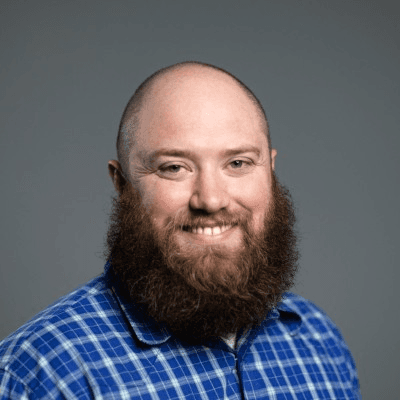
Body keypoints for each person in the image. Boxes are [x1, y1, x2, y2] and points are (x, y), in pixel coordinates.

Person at [0, 61, 361, 399]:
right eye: (174, 167)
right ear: (122, 183)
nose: (211, 199)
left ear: (270, 170)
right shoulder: (41, 373)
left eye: (238, 163)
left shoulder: (319, 342)